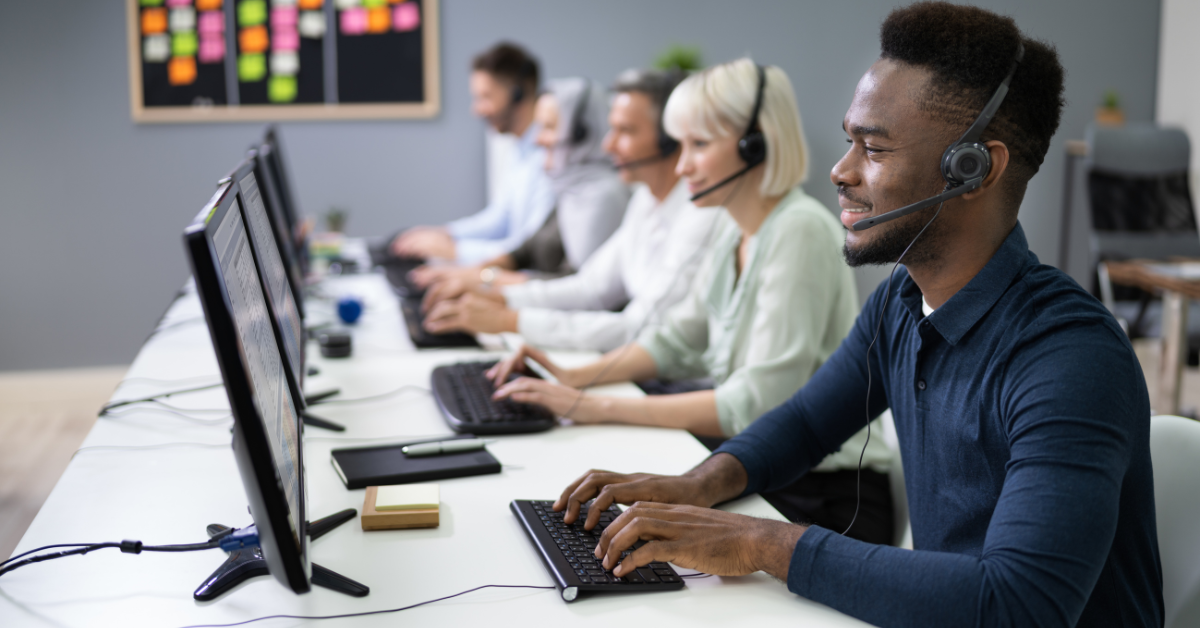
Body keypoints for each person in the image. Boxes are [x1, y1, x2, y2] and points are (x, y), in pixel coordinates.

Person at [544, 4, 1164, 627]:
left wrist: (760, 542)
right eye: (850, 140)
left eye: (875, 147)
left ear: (974, 169)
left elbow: (1020, 603)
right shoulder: (901, 300)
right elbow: (810, 422)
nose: (841, 171)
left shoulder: (1070, 358)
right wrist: (698, 484)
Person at [489, 59, 894, 544]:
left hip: (823, 497)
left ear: (755, 145)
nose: (681, 167)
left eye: (698, 145)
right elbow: (675, 340)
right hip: (758, 470)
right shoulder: (734, 226)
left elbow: (757, 403)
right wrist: (573, 376)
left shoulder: (798, 230)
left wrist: (591, 405)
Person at [419, 68, 718, 352]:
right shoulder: (645, 199)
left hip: (655, 369)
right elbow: (590, 286)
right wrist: (496, 296)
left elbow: (639, 327)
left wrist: (509, 318)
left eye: (625, 131)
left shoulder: (698, 215)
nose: (609, 144)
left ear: (670, 141)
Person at [411, 78, 630, 291]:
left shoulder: (603, 196)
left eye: (549, 127)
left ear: (583, 133)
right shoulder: (572, 185)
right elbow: (526, 249)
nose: (537, 139)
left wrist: (485, 279)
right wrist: (466, 273)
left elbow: (578, 286)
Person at [390, 42, 555, 265]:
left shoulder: (549, 156)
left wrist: (455, 250)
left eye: (485, 97)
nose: (476, 109)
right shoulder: (519, 149)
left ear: (519, 93)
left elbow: (527, 248)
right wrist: (445, 234)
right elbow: (500, 220)